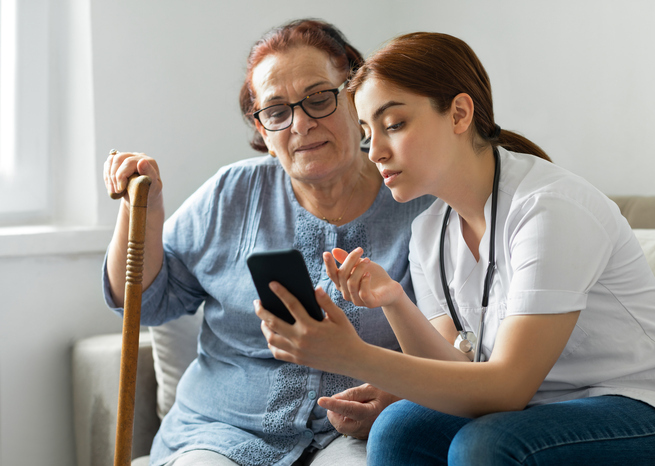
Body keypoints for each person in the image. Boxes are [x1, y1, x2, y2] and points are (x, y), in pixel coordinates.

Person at [255, 32, 655, 465]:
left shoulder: (549, 208)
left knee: (486, 445)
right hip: (539, 412)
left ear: (459, 113)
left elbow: (505, 390)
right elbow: (454, 370)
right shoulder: (430, 230)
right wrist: (394, 300)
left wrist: (350, 354)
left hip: (651, 417)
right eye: (366, 132)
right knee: (398, 428)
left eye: (393, 124)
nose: (374, 151)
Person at [102, 20, 433, 466]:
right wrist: (144, 210)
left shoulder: (419, 200)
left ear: (356, 96)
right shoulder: (229, 193)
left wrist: (399, 393)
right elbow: (141, 302)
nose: (302, 123)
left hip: (355, 433)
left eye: (319, 98)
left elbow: (464, 342)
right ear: (263, 131)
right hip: (221, 432)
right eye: (277, 112)